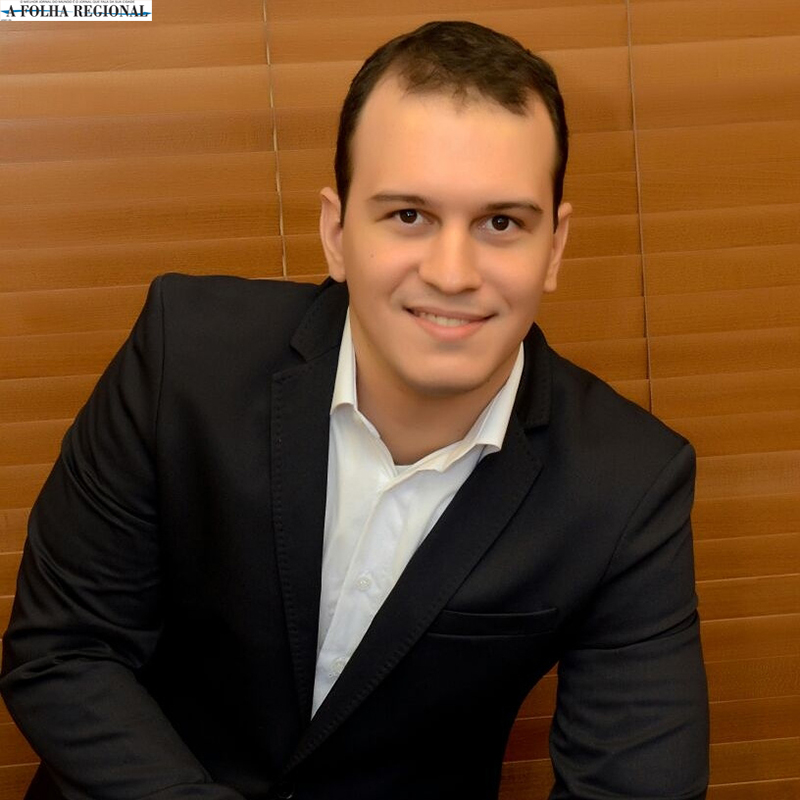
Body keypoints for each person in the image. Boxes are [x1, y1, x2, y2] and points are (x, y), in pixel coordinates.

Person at [0, 20, 709, 800]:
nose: (452, 272)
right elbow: (66, 652)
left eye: (501, 223)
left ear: (555, 247)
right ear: (336, 232)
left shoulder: (629, 484)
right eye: (408, 216)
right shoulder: (183, 358)